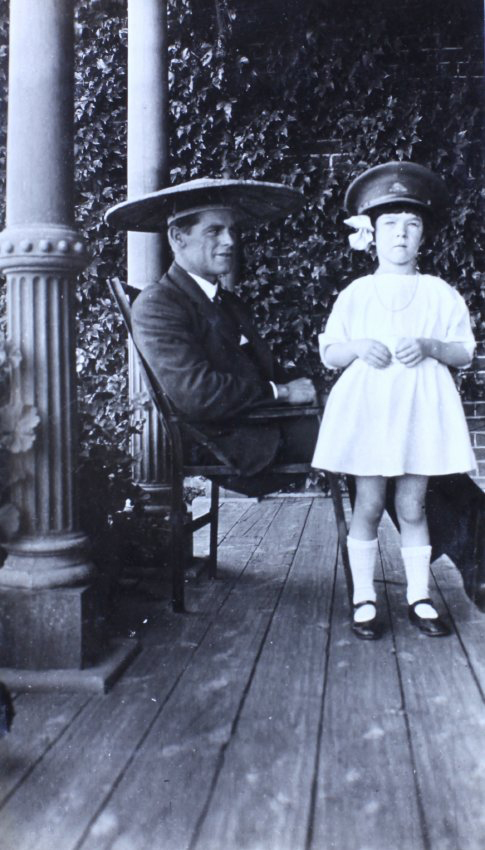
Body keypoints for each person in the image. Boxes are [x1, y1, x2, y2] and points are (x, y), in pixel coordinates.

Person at [312, 161, 477, 640]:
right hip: (370, 411)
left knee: (412, 505)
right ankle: (364, 599)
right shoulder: (357, 293)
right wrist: (360, 347)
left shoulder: (439, 293)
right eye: (389, 225)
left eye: (411, 226)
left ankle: (419, 597)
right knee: (368, 502)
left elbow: (463, 351)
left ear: (423, 235)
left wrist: (428, 346)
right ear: (371, 235)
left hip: (418, 411)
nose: (401, 235)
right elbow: (330, 352)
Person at [105, 177, 319, 497]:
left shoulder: (228, 303)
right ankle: (399, 541)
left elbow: (265, 371)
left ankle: (394, 539)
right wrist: (283, 392)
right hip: (232, 444)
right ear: (178, 237)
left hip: (262, 426)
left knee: (368, 424)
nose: (230, 241)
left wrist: (321, 391)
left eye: (233, 230)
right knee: (366, 437)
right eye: (214, 231)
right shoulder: (158, 305)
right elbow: (198, 394)